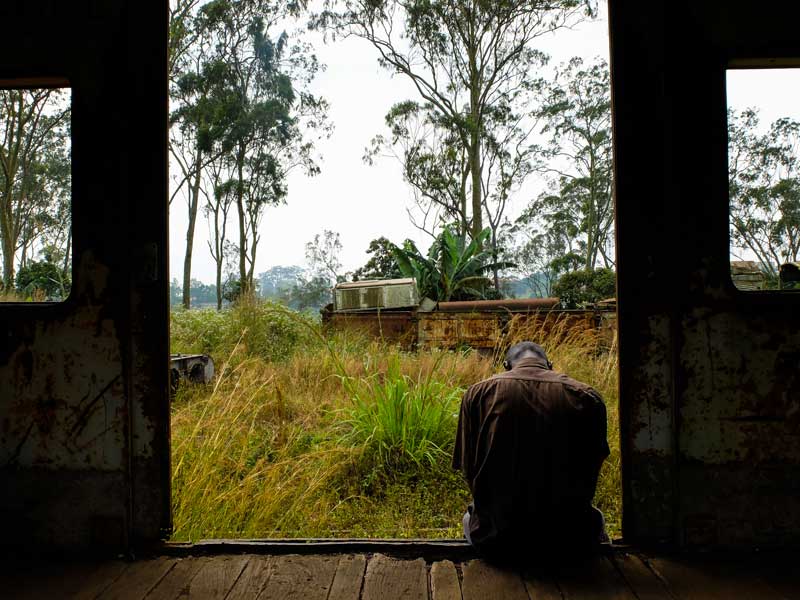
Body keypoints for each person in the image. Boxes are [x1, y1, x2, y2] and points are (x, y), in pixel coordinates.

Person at [453, 341, 610, 560]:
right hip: (570, 539)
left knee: (468, 519)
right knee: (597, 520)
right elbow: (592, 468)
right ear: (550, 364)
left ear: (506, 365)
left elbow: (469, 467)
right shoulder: (587, 396)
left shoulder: (478, 393)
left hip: (497, 540)